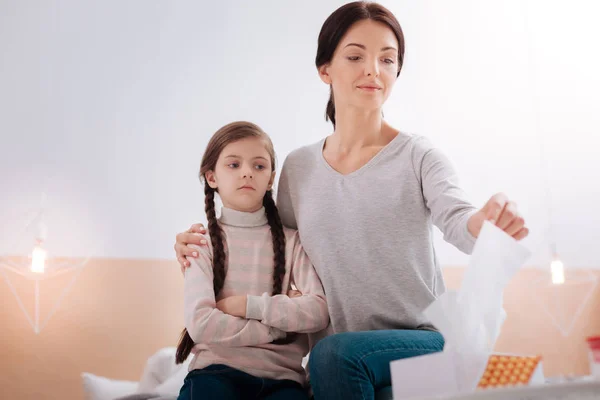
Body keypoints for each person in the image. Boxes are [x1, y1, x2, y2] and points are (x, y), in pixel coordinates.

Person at [174, 3, 528, 399]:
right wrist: (194, 245)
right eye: (356, 56)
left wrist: (485, 223)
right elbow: (274, 247)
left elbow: (460, 221)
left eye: (387, 59)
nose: (373, 69)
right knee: (335, 365)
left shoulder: (419, 156)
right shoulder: (298, 168)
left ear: (397, 71)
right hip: (339, 360)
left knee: (333, 357)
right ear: (325, 69)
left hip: (422, 344)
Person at [176, 121, 329, 400]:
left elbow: (317, 311)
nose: (247, 172)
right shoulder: (201, 243)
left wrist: (246, 305)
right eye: (233, 165)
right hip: (215, 373)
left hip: (283, 380)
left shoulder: (295, 243)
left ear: (271, 179)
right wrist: (277, 327)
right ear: (212, 177)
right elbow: (201, 323)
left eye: (259, 166)